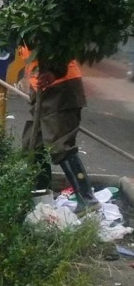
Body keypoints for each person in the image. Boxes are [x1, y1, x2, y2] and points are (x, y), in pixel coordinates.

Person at [19, 46, 100, 215]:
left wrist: (55, 73)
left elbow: (64, 47)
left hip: (61, 88)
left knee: (60, 146)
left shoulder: (43, 23)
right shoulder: (21, 28)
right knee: (33, 146)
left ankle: (87, 199)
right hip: (42, 92)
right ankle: (41, 200)